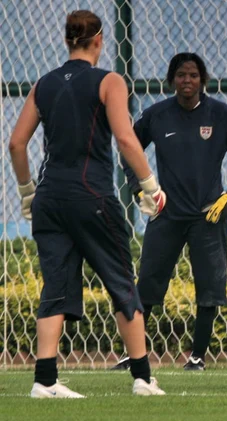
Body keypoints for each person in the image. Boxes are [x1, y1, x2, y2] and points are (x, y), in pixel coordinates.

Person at [8, 10, 167, 398]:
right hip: (91, 196)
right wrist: (150, 187)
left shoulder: (43, 85)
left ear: (67, 40)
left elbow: (16, 144)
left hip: (49, 199)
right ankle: (144, 378)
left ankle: (44, 381)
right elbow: (126, 140)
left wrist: (27, 192)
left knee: (56, 285)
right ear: (99, 40)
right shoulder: (109, 81)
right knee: (121, 282)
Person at [111, 52, 227, 371]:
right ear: (171, 80)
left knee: (209, 288)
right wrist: (141, 189)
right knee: (149, 284)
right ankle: (133, 355)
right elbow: (128, 148)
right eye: (181, 75)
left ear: (202, 79)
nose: (187, 81)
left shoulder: (220, 115)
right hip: (165, 214)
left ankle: (197, 357)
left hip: (208, 215)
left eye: (193, 75)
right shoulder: (157, 116)